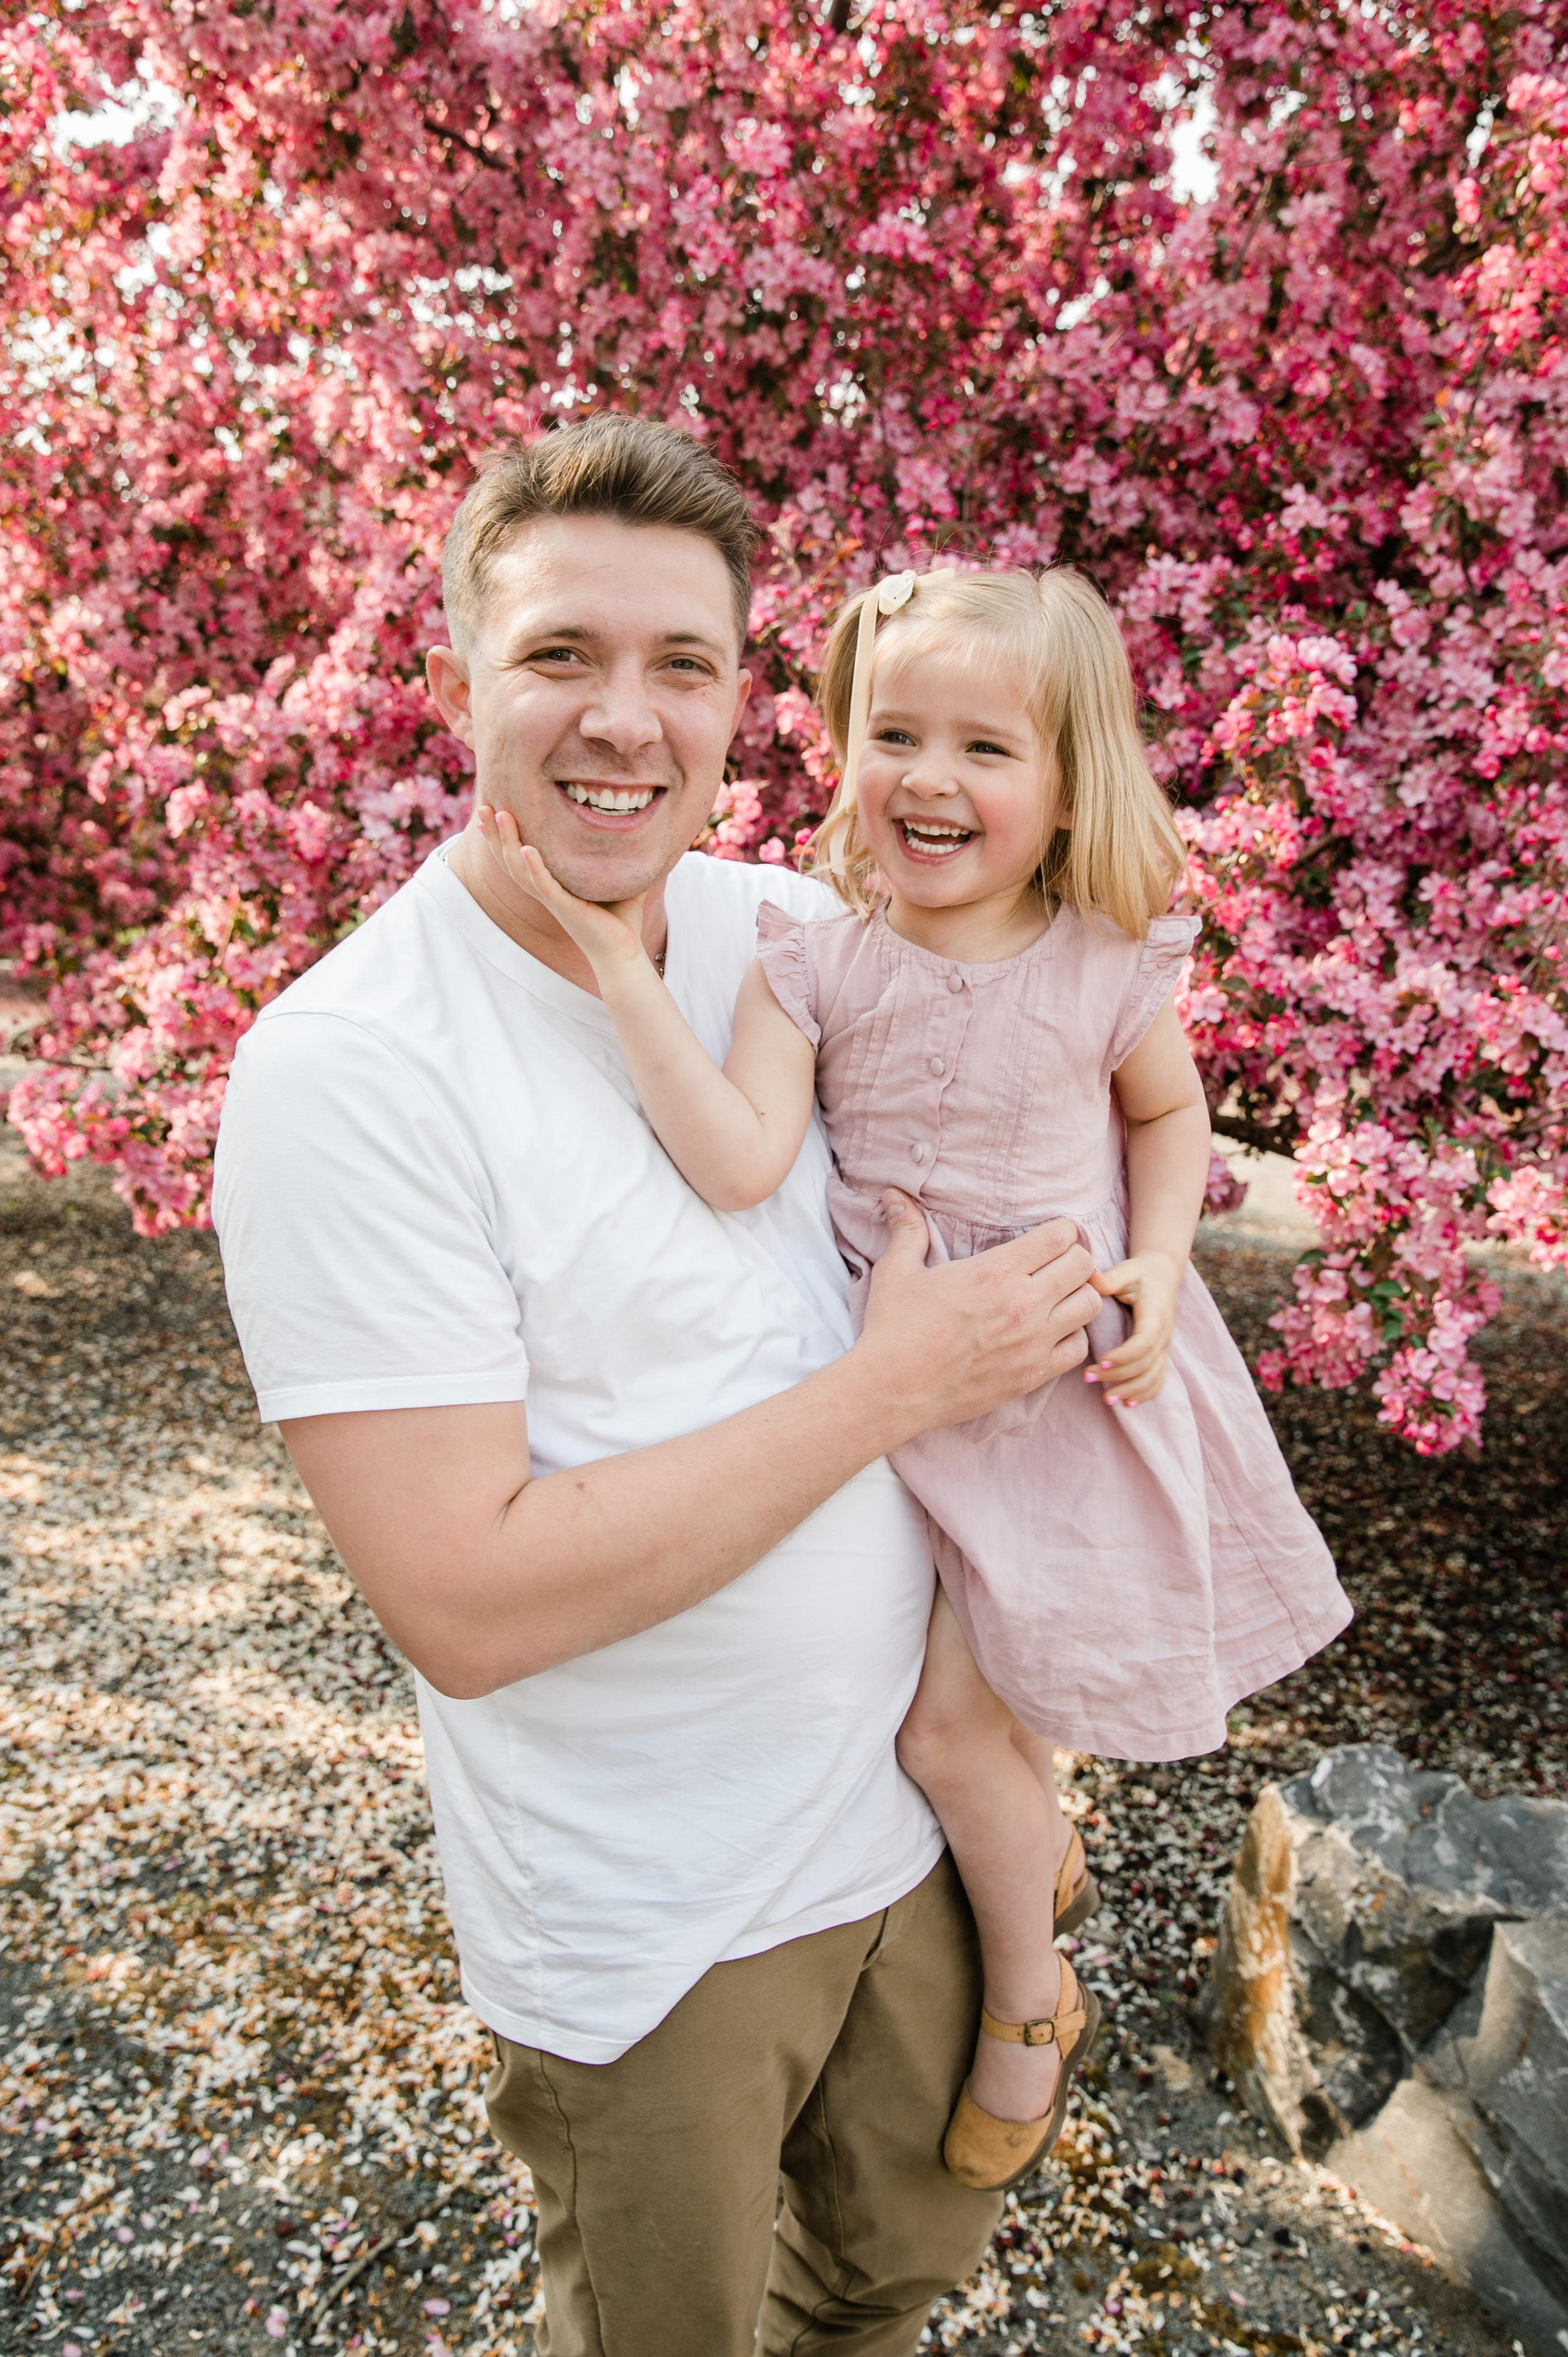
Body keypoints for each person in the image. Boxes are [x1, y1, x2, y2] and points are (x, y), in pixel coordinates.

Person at [210, 417, 1108, 2357]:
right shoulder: (353, 1071)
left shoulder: (779, 924)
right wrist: (894, 1393)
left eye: (682, 666)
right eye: (561, 657)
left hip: (908, 1818)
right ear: (461, 676)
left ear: (740, 700)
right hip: (658, 1922)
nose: (626, 720)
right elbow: (466, 1601)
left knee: (897, 2272)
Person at [482, 562, 1353, 2197]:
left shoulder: (1104, 965)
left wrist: (1163, 1263)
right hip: (894, 1383)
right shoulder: (820, 964)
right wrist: (613, 966)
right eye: (895, 734)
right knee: (963, 1711)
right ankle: (1040, 1878)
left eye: (986, 750)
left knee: (956, 1738)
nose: (930, 781)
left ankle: (1031, 2003)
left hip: (1049, 1394)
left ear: (1070, 781)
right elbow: (744, 1158)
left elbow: (1170, 1124)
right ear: (842, 748)